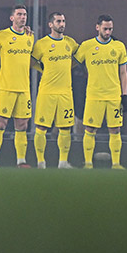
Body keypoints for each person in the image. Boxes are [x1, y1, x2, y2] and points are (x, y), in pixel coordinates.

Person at [75, 15, 127, 169]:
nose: (107, 32)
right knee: (90, 129)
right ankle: (88, 163)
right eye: (105, 29)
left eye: (110, 29)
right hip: (94, 95)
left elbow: (123, 72)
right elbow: (73, 63)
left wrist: (124, 95)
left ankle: (116, 164)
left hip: (114, 95)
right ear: (97, 27)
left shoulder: (119, 46)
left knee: (115, 129)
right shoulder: (87, 46)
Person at [30, 12, 80, 169]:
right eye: (58, 21)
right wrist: (43, 69)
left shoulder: (70, 43)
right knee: (41, 127)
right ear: (50, 24)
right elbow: (31, 61)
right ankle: (41, 162)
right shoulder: (42, 44)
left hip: (65, 93)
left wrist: (68, 67)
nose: (62, 24)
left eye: (63, 21)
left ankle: (63, 162)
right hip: (47, 92)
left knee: (65, 128)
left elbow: (78, 58)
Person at [0, 4, 34, 168]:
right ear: (12, 18)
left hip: (24, 89)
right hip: (6, 87)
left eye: (25, 15)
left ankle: (21, 161)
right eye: (19, 14)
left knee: (22, 125)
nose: (23, 17)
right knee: (0, 123)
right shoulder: (2, 36)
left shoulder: (30, 37)